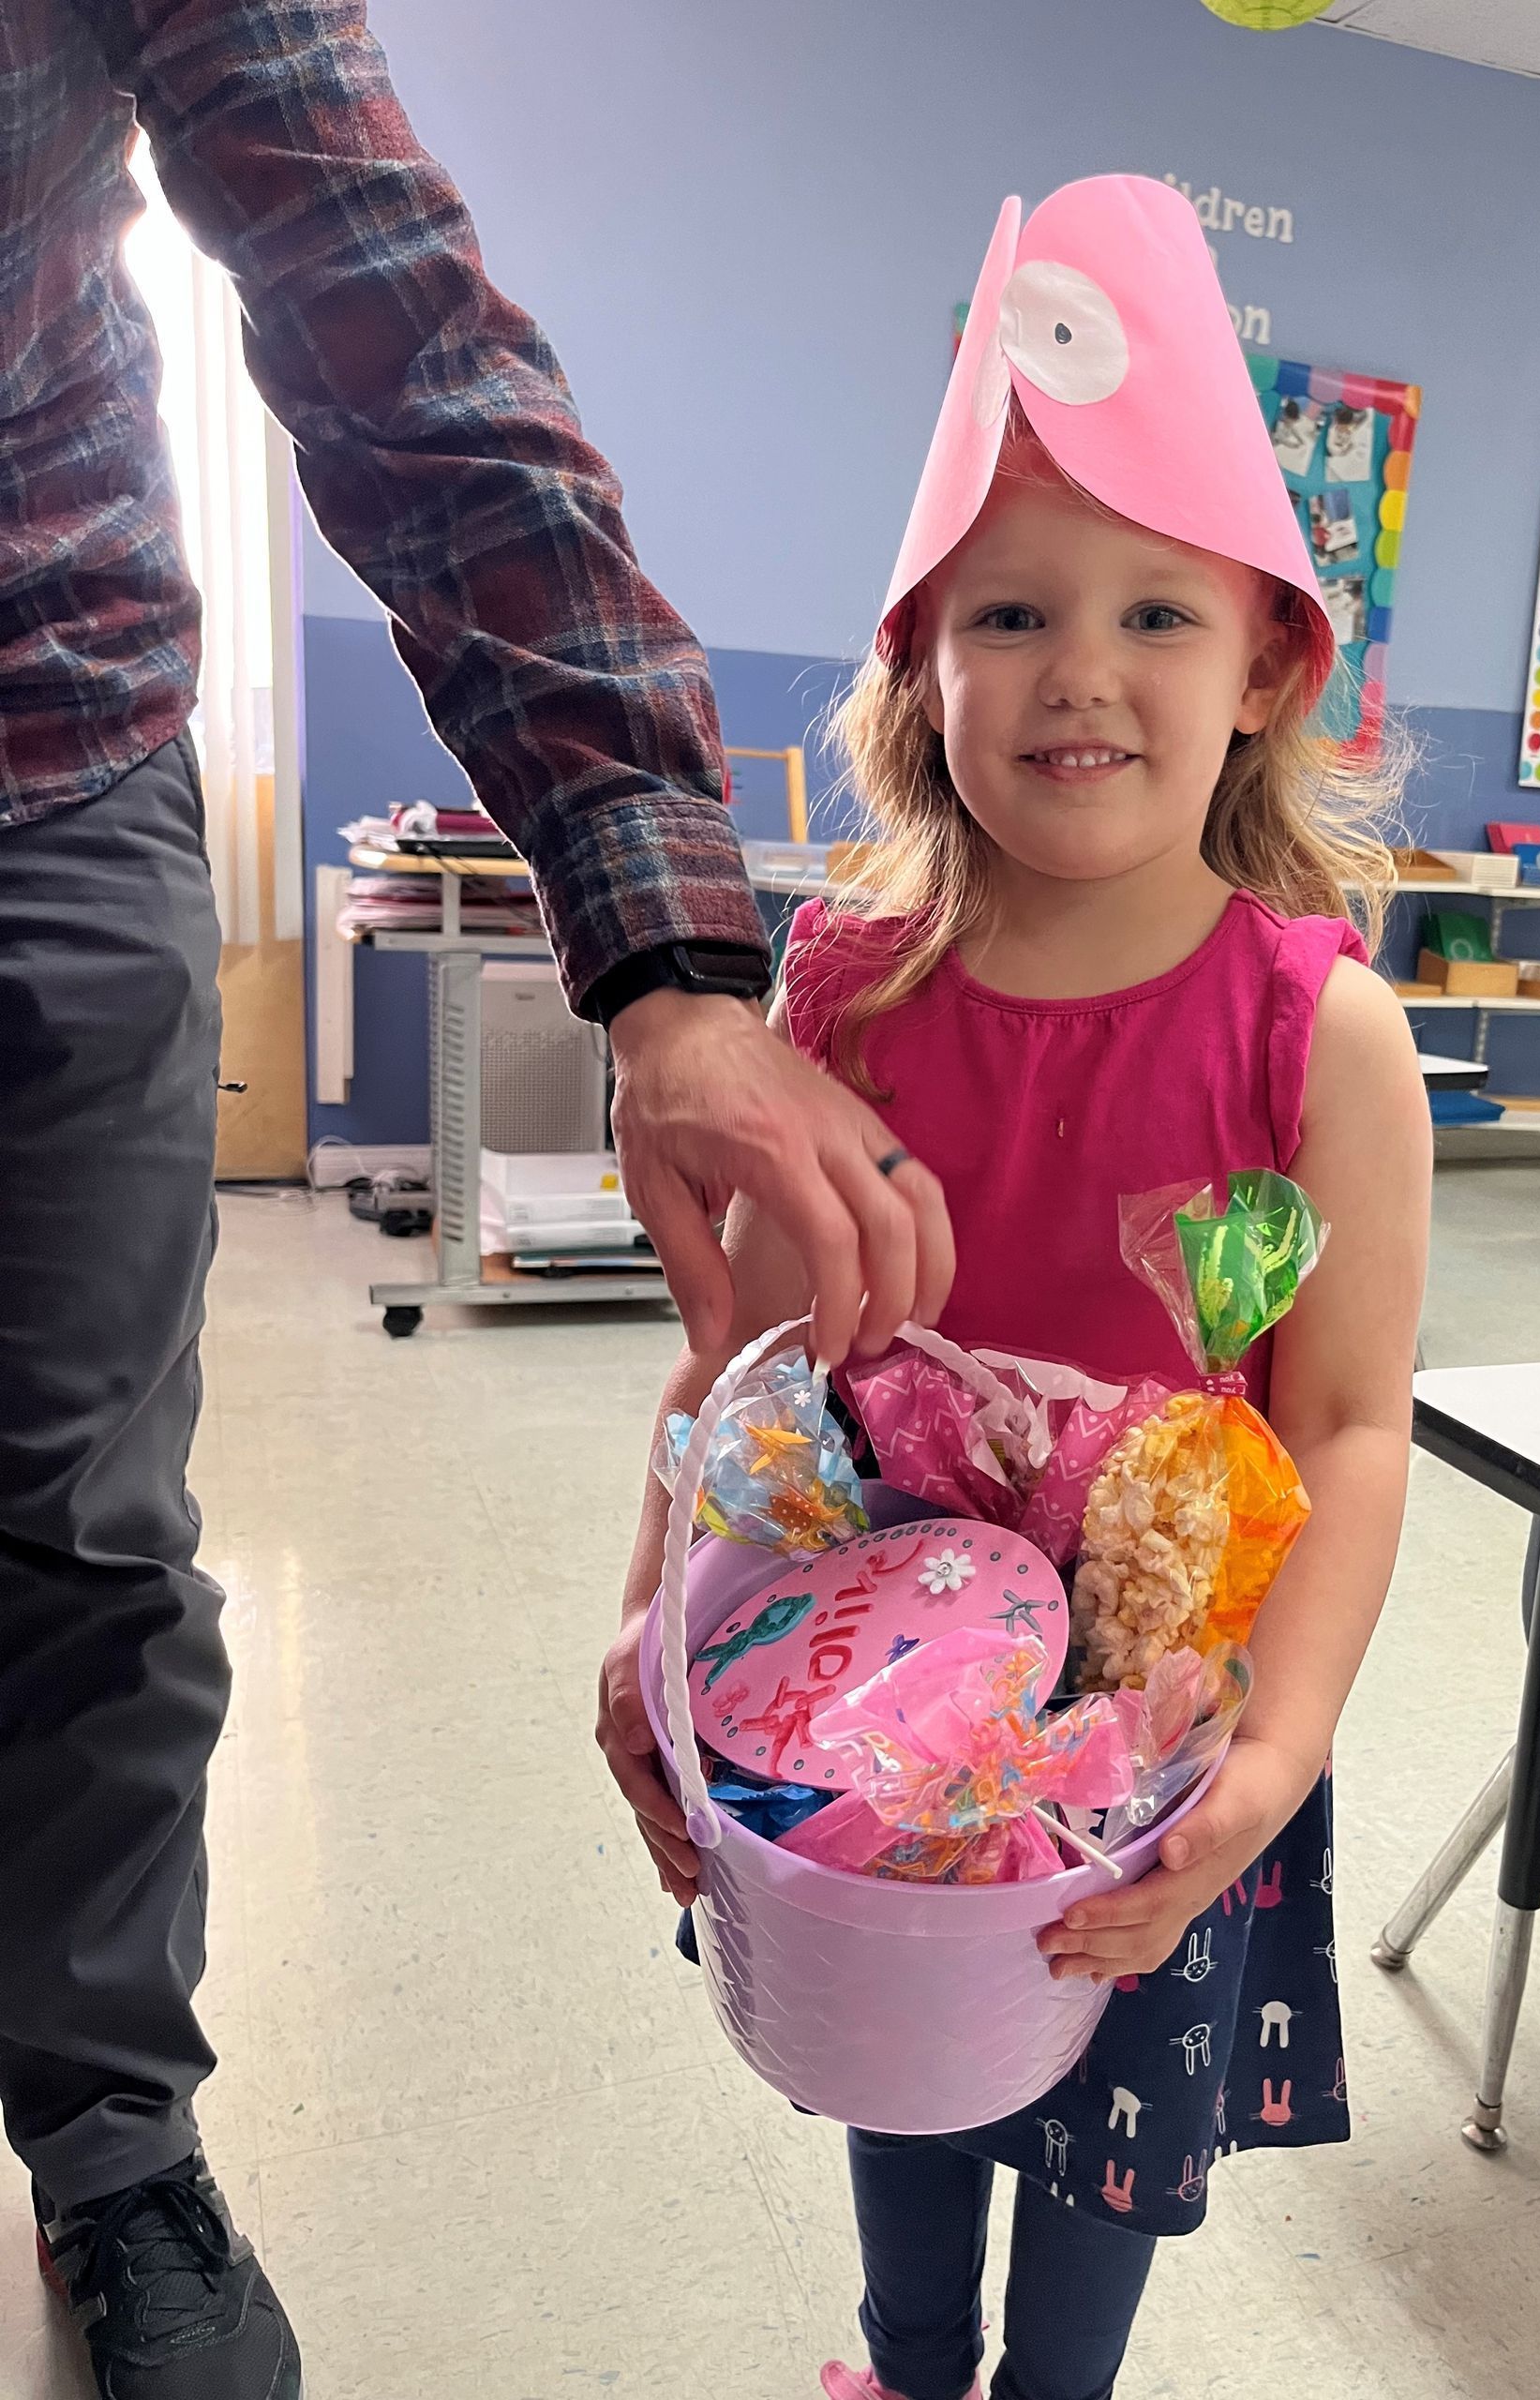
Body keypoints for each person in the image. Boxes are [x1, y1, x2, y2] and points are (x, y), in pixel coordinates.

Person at [0, 7, 949, 2396]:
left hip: (46, 730)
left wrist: (672, 962)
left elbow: (402, 339)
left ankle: (117, 2136)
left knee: (83, 1527)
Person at [597, 176, 1431, 2400]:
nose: (1082, 668)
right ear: (920, 658)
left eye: (1160, 612)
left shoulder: (1316, 1036)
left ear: (1265, 664)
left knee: (1100, 2125)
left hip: (1159, 1740)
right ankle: (904, 2361)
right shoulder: (842, 996)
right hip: (863, 1693)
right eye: (1011, 614)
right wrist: (649, 1608)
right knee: (904, 2058)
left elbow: (1350, 1421)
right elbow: (752, 1368)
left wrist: (1284, 1741)